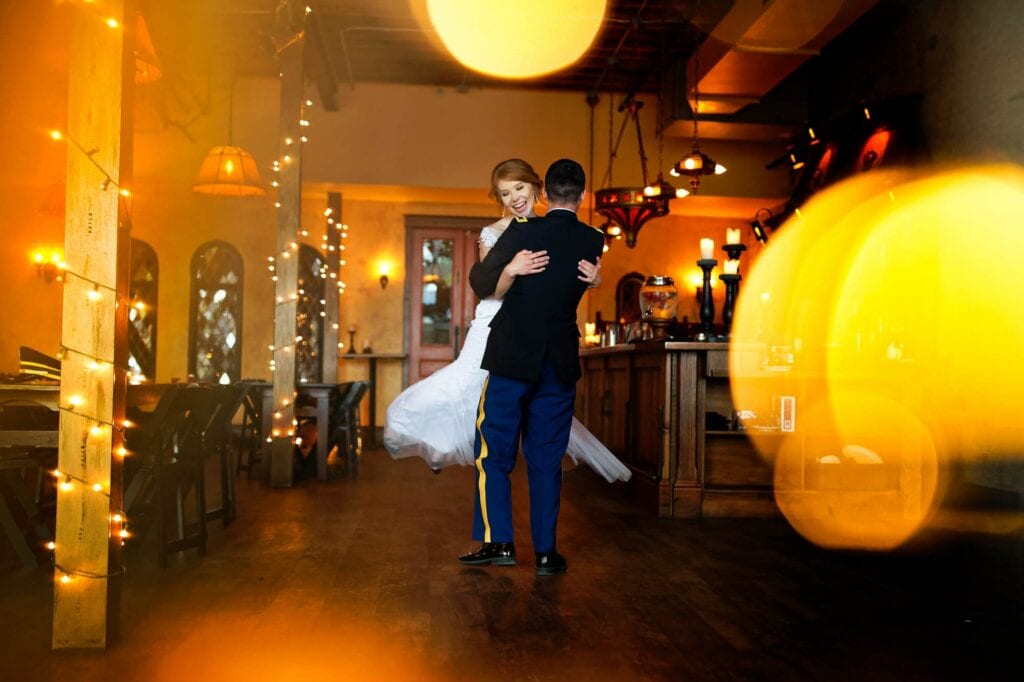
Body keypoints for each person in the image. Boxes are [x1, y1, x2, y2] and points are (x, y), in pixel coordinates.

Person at [383, 159, 630, 485]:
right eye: (504, 193)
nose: (514, 197)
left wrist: (594, 281)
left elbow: (562, 282)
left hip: (534, 331)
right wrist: (513, 268)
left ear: (537, 188)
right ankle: (443, 439)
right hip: (493, 321)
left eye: (519, 187)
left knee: (522, 396)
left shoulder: (549, 230)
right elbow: (490, 288)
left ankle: (504, 449)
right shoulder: (493, 234)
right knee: (467, 383)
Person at [457, 158, 604, 576]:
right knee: (545, 458)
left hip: (510, 358)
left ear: (543, 191)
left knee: (493, 453)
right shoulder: (594, 238)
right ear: (581, 194)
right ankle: (545, 552)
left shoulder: (522, 233)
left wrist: (509, 268)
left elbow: (482, 285)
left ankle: (499, 542)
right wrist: (596, 281)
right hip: (558, 361)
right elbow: (582, 279)